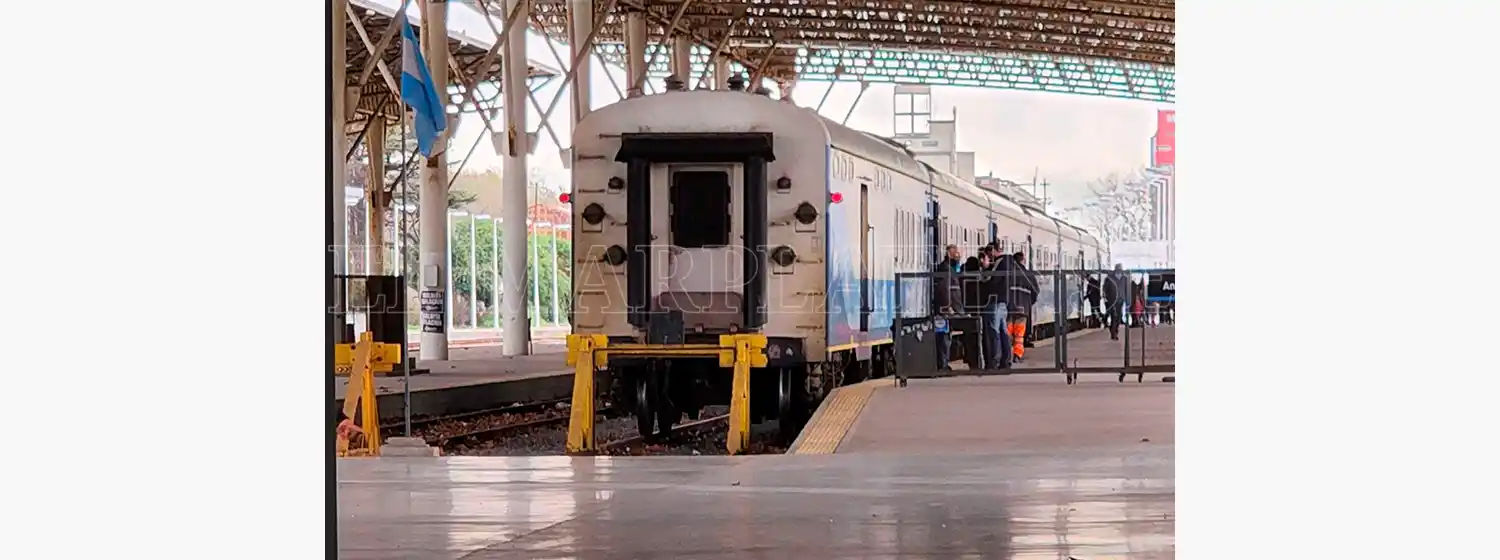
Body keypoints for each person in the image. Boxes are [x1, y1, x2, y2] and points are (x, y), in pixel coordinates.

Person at [980, 245, 1013, 370]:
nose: (989, 257)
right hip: (1002, 301)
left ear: (994, 251)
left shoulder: (1000, 264)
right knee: (1003, 331)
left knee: (994, 332)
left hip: (995, 301)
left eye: (989, 254)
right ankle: (1005, 360)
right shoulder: (1008, 263)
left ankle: (995, 361)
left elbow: (992, 282)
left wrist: (985, 271)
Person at [933, 245, 963, 370]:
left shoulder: (949, 269)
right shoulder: (946, 270)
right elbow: (944, 290)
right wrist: (948, 307)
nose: (959, 258)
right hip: (945, 309)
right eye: (956, 255)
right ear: (950, 255)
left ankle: (943, 363)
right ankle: (942, 364)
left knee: (946, 336)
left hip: (949, 308)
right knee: (944, 337)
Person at [1006, 251, 1040, 361]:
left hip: (1009, 308)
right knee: (1019, 335)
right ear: (1022, 260)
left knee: (1007, 332)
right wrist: (1029, 303)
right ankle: (1017, 354)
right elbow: (1036, 291)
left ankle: (1006, 356)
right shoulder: (1028, 275)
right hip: (1023, 309)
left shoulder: (1008, 273)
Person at [1103, 264, 1129, 340]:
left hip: (1121, 299)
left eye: (1120, 269)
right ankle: (1114, 333)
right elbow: (1105, 288)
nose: (1119, 270)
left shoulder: (1124, 278)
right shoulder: (1109, 278)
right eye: (1118, 269)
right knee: (1114, 316)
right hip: (1112, 300)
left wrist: (1127, 298)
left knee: (1119, 316)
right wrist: (1105, 297)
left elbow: (1126, 288)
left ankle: (1114, 330)